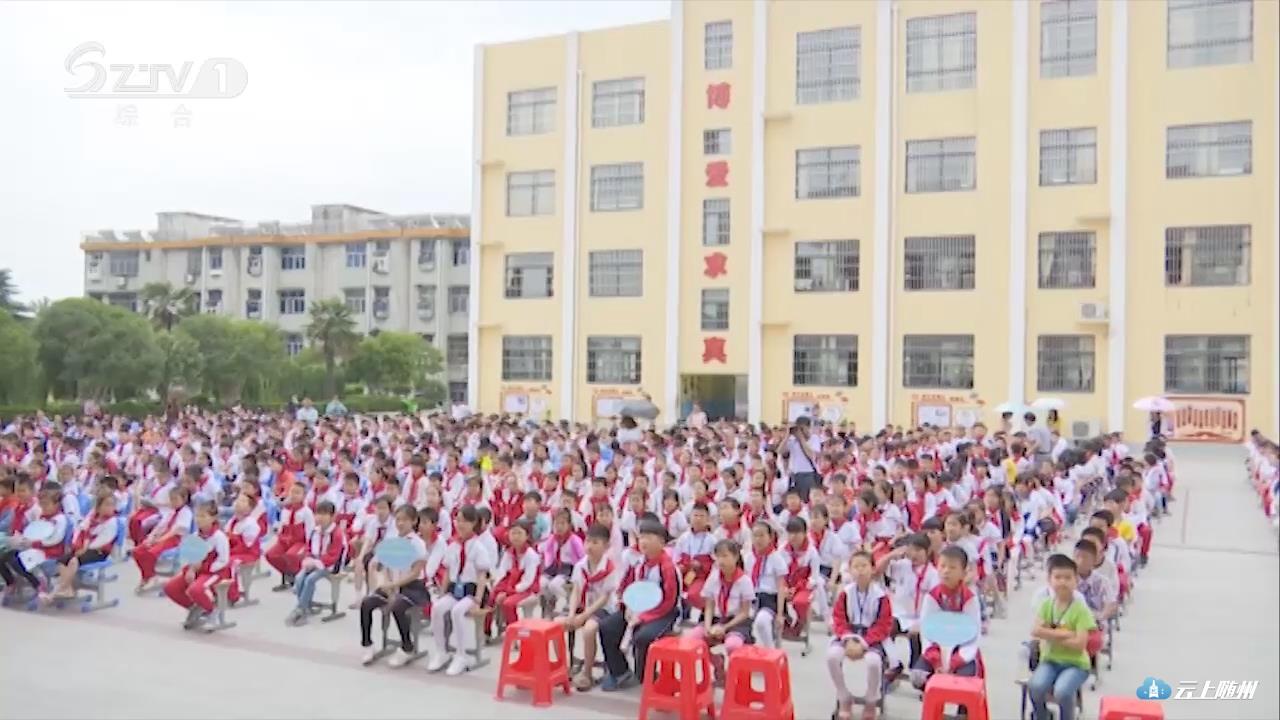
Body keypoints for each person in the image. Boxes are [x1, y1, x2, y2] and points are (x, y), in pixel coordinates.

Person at [598, 515, 681, 692]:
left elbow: (669, 601)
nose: (643, 542)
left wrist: (644, 617)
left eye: (649, 537)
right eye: (641, 537)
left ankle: (646, 676)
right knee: (607, 627)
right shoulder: (638, 562)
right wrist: (625, 605)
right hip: (637, 609)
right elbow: (625, 586)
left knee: (642, 636)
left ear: (661, 542)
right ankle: (620, 672)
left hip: (663, 613)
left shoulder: (668, 568)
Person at [359, 505, 437, 667]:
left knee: (397, 606)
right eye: (398, 519)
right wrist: (386, 584)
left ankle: (407, 647)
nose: (400, 523)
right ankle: (367, 645)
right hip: (392, 585)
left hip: (412, 587)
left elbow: (415, 573)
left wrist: (395, 585)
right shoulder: (392, 540)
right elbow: (382, 565)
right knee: (367, 603)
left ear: (414, 521)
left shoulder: (417, 543)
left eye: (405, 520)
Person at [426, 504, 492, 676]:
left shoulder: (478, 547)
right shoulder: (453, 545)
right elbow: (448, 571)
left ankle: (461, 655)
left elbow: (482, 575)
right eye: (458, 520)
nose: (460, 524)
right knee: (437, 608)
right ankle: (441, 651)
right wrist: (442, 593)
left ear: (473, 523)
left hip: (472, 591)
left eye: (464, 521)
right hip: (455, 589)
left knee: (457, 611)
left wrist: (477, 600)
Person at [1028, 554, 1096, 720]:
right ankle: (1042, 716)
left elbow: (1079, 644)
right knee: (1035, 687)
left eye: (1067, 578)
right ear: (1049, 580)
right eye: (1058, 577)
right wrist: (1065, 634)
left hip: (1076, 664)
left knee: (1062, 691)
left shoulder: (1081, 610)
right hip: (1050, 661)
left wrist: (1049, 634)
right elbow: (1035, 631)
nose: (1062, 582)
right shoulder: (1046, 605)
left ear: (1076, 580)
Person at [829, 551, 895, 720]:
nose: (860, 570)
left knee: (873, 662)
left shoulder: (881, 596)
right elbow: (838, 618)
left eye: (864, 566)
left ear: (873, 569)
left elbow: (884, 624)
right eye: (856, 566)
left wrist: (864, 643)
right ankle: (844, 697)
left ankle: (871, 701)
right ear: (850, 570)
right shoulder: (846, 593)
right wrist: (848, 639)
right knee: (832, 657)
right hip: (848, 634)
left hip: (872, 637)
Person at [911, 545, 983, 689]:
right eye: (942, 566)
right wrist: (937, 660)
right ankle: (932, 699)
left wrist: (954, 662)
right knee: (918, 676)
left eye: (952, 567)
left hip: (961, 652)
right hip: (936, 650)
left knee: (965, 681)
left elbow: (973, 636)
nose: (946, 571)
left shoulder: (969, 599)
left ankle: (959, 703)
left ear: (963, 572)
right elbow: (926, 632)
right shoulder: (932, 597)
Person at [685, 539, 754, 680]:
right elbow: (709, 605)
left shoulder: (744, 580)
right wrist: (708, 627)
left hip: (736, 622)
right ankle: (716, 662)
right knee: (692, 640)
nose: (721, 561)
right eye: (718, 557)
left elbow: (744, 612)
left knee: (732, 646)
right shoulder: (714, 577)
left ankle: (734, 678)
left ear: (736, 557)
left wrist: (725, 627)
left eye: (725, 556)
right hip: (716, 619)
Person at [563, 523, 620, 691]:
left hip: (604, 610)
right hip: (584, 605)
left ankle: (587, 673)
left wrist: (583, 616)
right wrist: (571, 614)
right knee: (558, 624)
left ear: (606, 546)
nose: (589, 546)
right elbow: (576, 590)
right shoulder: (581, 565)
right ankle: (563, 667)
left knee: (589, 629)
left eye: (595, 542)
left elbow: (604, 598)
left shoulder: (609, 568)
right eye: (587, 541)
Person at [163, 501, 231, 629]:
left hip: (215, 572)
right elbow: (190, 558)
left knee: (196, 589)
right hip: (197, 571)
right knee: (170, 588)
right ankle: (196, 608)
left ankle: (212, 610)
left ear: (213, 518)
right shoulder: (195, 536)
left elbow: (223, 560)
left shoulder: (219, 537)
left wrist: (205, 568)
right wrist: (190, 569)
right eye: (197, 516)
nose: (199, 519)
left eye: (203, 516)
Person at [285, 500, 347, 626]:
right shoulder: (315, 531)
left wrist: (316, 563)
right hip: (314, 561)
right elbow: (308, 548)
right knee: (299, 578)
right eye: (318, 514)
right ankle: (304, 607)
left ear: (332, 516)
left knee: (310, 579)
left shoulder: (336, 534)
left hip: (330, 565)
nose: (320, 517)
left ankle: (300, 609)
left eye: (324, 514)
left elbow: (333, 556)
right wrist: (308, 560)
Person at [49, 493, 120, 599]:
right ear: (99, 506)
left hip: (99, 551)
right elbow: (81, 528)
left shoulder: (112, 522)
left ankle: (59, 590)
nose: (110, 507)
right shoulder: (92, 517)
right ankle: (68, 588)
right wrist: (80, 546)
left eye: (112, 505)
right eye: (107, 504)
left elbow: (102, 541)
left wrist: (85, 548)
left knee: (74, 561)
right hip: (83, 547)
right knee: (61, 561)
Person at [743, 520, 788, 649]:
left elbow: (781, 587)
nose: (758, 539)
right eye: (755, 535)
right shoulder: (748, 557)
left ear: (770, 537)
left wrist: (780, 614)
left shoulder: (776, 558)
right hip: (751, 597)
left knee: (761, 621)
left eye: (762, 535)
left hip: (770, 598)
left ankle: (770, 651)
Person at [784, 416, 820, 501]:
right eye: (798, 428)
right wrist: (787, 436)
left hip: (807, 474)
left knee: (805, 500)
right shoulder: (793, 440)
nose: (800, 431)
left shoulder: (814, 438)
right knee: (794, 500)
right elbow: (780, 451)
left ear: (808, 427)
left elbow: (811, 455)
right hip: (794, 474)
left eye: (802, 428)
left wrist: (801, 439)